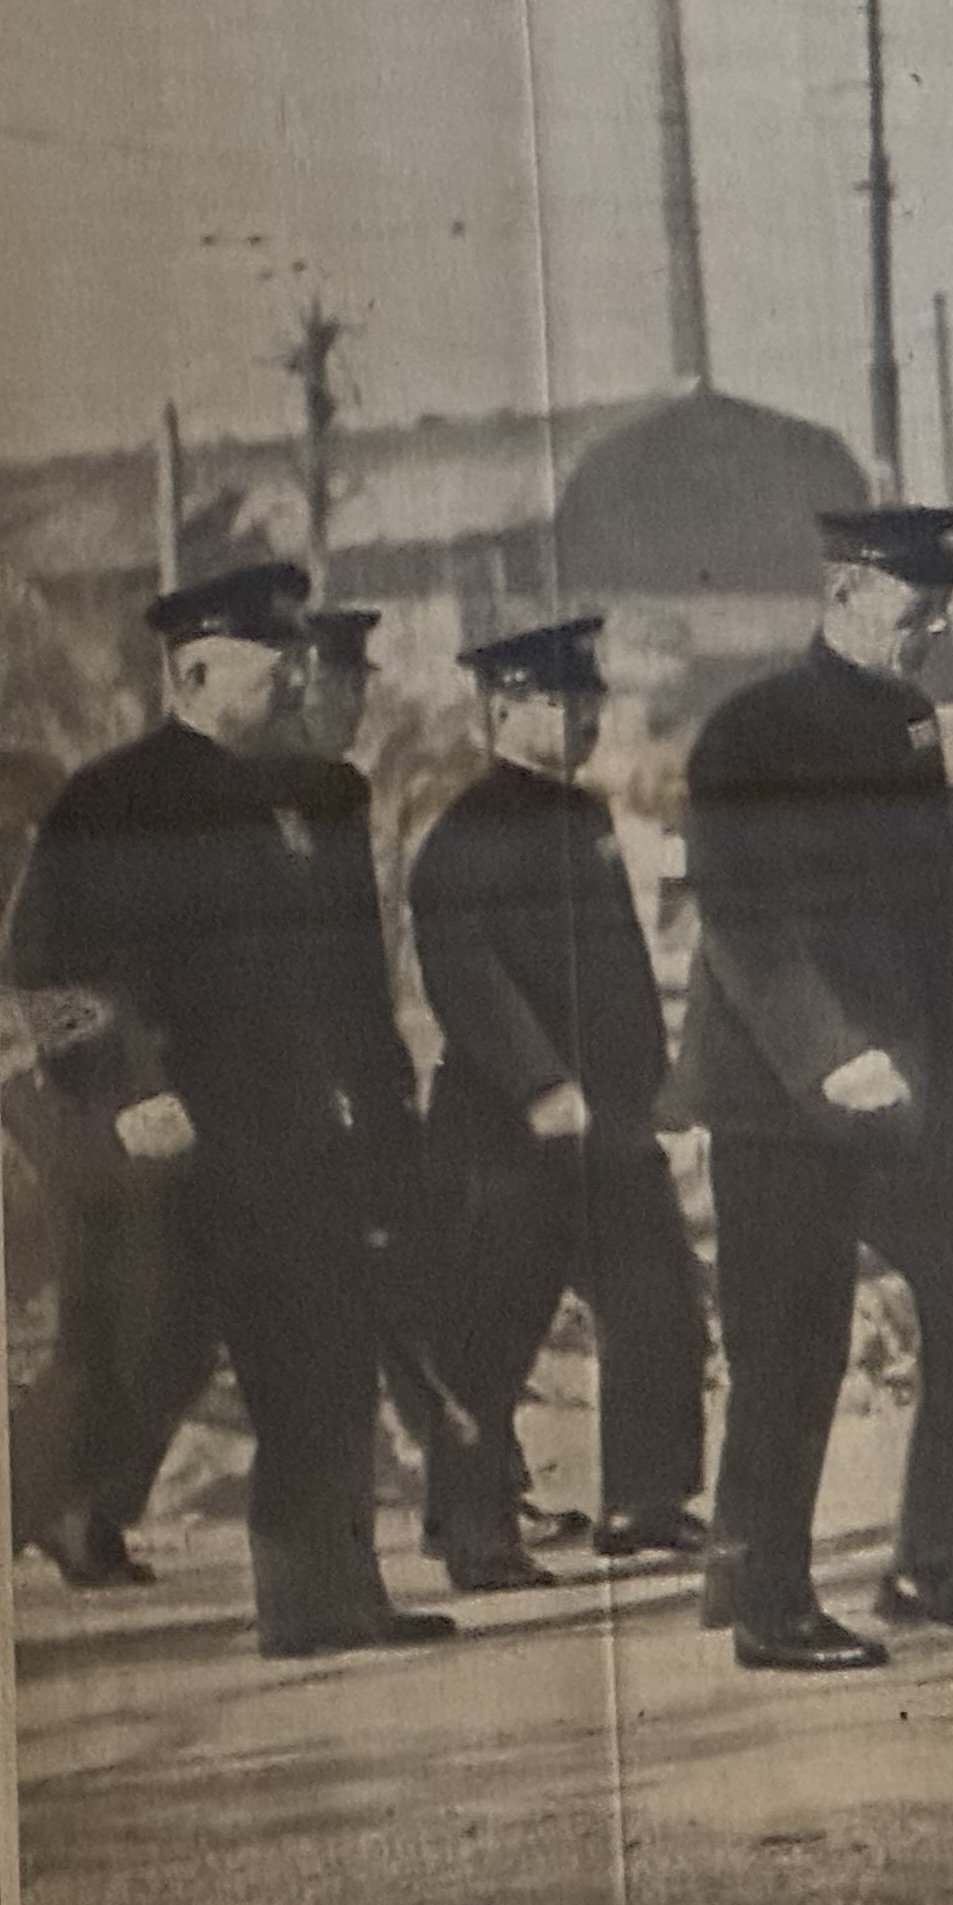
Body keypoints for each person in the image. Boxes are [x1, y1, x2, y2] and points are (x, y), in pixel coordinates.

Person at [0, 562, 458, 1653]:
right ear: (195, 669)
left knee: (322, 1362)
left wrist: (387, 1123)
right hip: (165, 1149)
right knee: (122, 1378)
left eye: (301, 650)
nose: (303, 669)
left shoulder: (325, 796)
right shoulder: (110, 800)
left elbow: (357, 987)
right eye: (276, 655)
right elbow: (48, 978)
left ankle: (321, 1603)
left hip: (295, 1141)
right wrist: (130, 1093)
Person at [671, 505, 953, 1671]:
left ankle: (937, 1561)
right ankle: (765, 1603)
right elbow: (745, 921)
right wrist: (828, 1052)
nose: (939, 621)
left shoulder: (904, 723)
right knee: (791, 1344)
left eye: (946, 600)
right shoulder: (748, 733)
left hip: (902, 1088)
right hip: (779, 1089)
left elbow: (917, 935)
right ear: (843, 593)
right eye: (916, 599)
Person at [282, 604, 579, 1593]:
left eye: (363, 678)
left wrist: (379, 1087)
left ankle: (471, 1509)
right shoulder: (251, 799)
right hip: (265, 1103)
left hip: (352, 1095)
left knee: (417, 1301)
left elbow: (358, 963)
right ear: (295, 680)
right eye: (341, 678)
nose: (358, 695)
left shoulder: (338, 791)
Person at [409, 615, 713, 1575]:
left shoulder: (578, 815)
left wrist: (651, 1089)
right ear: (502, 709)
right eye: (562, 701)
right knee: (491, 1334)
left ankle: (647, 1500)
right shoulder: (466, 830)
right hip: (511, 1126)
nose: (585, 716)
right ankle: (471, 1531)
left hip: (609, 1121)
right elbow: (464, 971)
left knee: (657, 1298)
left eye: (592, 699)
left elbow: (618, 973)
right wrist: (541, 1083)